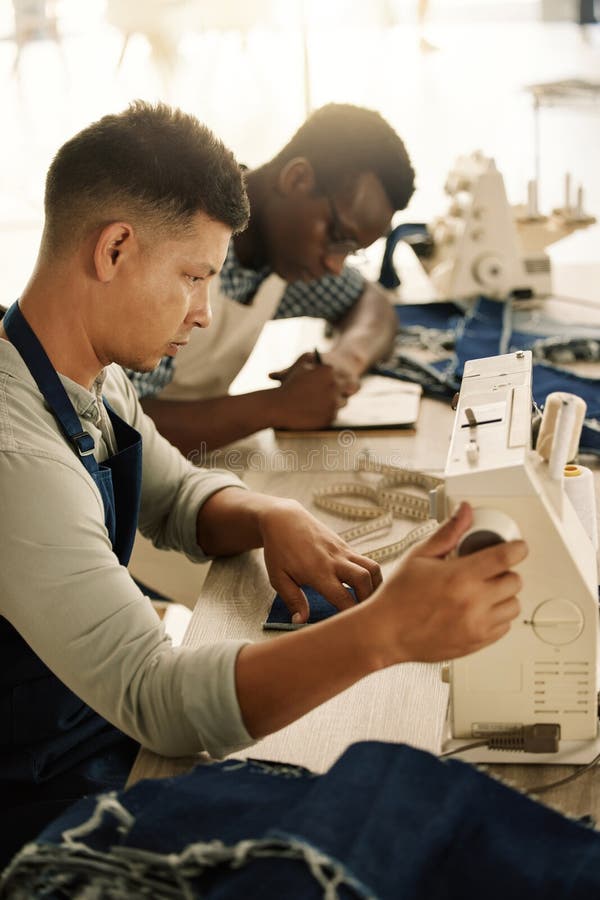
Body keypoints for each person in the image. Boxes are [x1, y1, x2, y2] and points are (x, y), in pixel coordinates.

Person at [0, 101, 527, 867]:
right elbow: (158, 699)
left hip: (96, 736)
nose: (205, 314)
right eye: (191, 278)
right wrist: (384, 634)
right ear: (114, 249)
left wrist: (267, 511)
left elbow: (178, 496)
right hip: (40, 805)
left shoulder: (88, 376)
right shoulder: (18, 456)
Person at [126, 103, 413, 455]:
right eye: (337, 236)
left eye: (350, 251)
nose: (335, 265)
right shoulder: (178, 239)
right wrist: (276, 406)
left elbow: (372, 304)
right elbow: (117, 424)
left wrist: (343, 363)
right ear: (296, 179)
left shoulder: (280, 259)